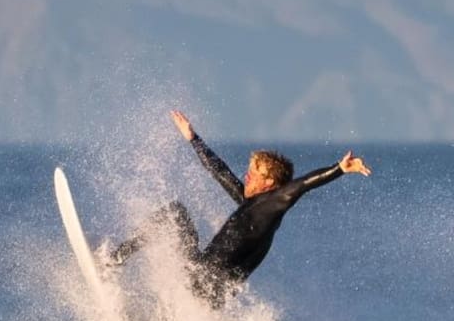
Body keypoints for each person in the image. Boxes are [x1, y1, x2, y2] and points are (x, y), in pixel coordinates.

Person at [103, 110, 371, 304]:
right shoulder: (254, 205)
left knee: (175, 214)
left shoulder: (273, 204)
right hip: (208, 290)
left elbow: (300, 186)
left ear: (270, 182)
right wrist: (193, 138)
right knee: (179, 218)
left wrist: (338, 169)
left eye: (254, 173)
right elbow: (220, 172)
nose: (247, 176)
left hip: (200, 282)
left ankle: (113, 260)